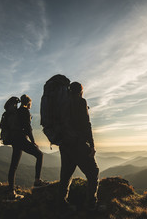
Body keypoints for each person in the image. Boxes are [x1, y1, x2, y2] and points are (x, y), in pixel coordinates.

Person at [59, 82, 99, 215]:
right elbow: (86, 124)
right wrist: (92, 145)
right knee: (93, 173)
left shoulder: (62, 103)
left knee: (66, 175)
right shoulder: (81, 102)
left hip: (64, 144)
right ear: (81, 91)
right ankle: (91, 205)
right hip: (78, 144)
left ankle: (62, 205)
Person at [7, 94, 49, 199]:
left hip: (15, 140)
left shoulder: (16, 111)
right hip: (21, 139)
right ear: (28, 103)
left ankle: (11, 192)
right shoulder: (24, 111)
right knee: (39, 155)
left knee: (14, 166)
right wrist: (33, 141)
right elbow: (27, 128)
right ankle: (37, 180)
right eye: (30, 103)